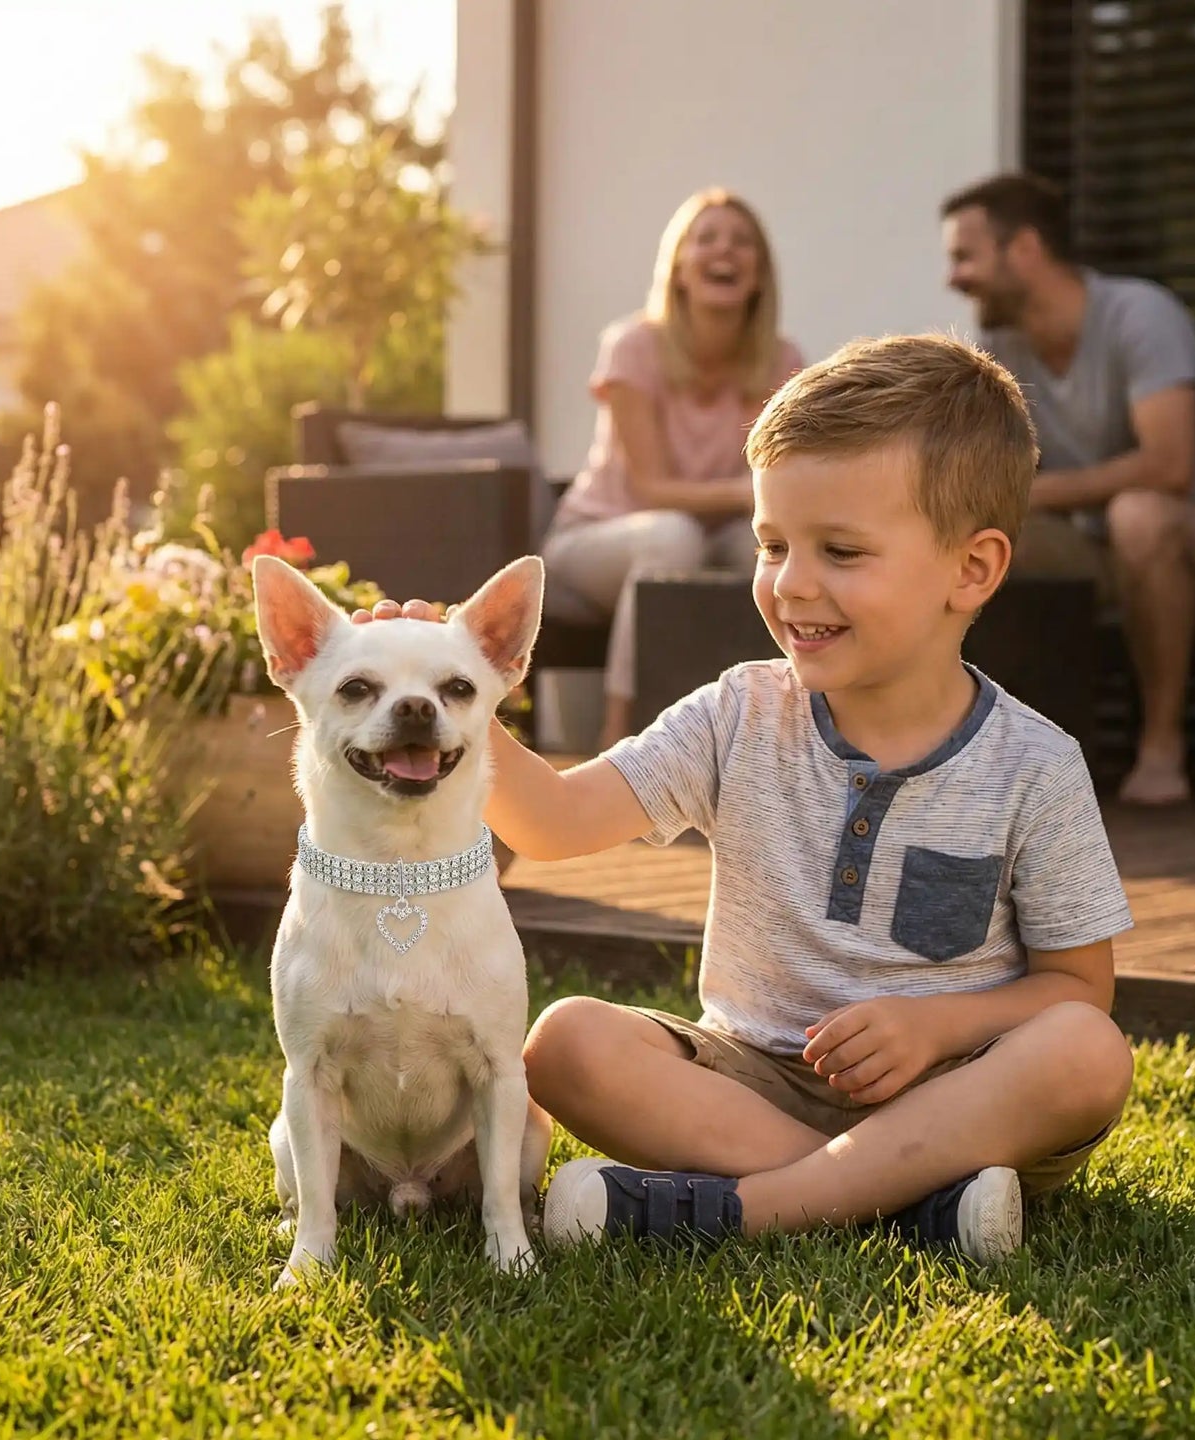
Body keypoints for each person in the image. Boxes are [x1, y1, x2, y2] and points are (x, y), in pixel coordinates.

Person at [356, 334, 1135, 1265]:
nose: (792, 581)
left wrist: (935, 1026)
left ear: (970, 569)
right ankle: (910, 1206)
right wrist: (454, 693)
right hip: (751, 1084)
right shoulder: (737, 713)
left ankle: (753, 1208)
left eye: (841, 550)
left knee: (1087, 1051)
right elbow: (555, 821)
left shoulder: (1035, 765)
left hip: (961, 1094)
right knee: (565, 1043)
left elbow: (1077, 986)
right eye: (773, 544)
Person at [940, 172, 1195, 806]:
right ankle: (981, 761)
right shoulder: (1001, 345)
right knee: (971, 538)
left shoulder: (1139, 314)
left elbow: (1168, 466)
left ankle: (1161, 747)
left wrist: (1038, 494)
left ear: (1026, 251)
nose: (954, 278)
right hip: (1099, 543)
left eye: (965, 256)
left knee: (1141, 516)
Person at [543, 187, 804, 749]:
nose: (724, 251)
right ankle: (622, 739)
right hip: (597, 538)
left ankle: (790, 743)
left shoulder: (783, 362)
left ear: (759, 274)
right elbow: (651, 488)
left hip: (712, 536)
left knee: (772, 556)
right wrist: (747, 495)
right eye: (706, 239)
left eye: (741, 242)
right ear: (680, 268)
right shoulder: (633, 345)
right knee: (673, 537)